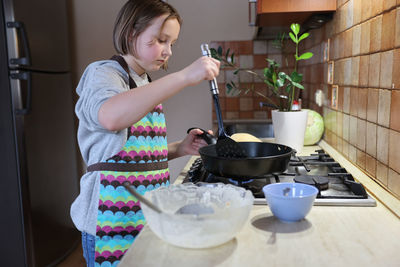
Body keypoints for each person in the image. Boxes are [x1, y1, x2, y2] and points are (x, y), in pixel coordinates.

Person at [70, 0, 219, 266]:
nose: (168, 51)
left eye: (172, 43)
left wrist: (180, 148)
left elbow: (135, 157)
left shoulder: (143, 82)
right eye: (161, 40)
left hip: (142, 219)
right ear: (131, 34)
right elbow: (111, 117)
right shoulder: (103, 74)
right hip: (109, 224)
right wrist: (185, 76)